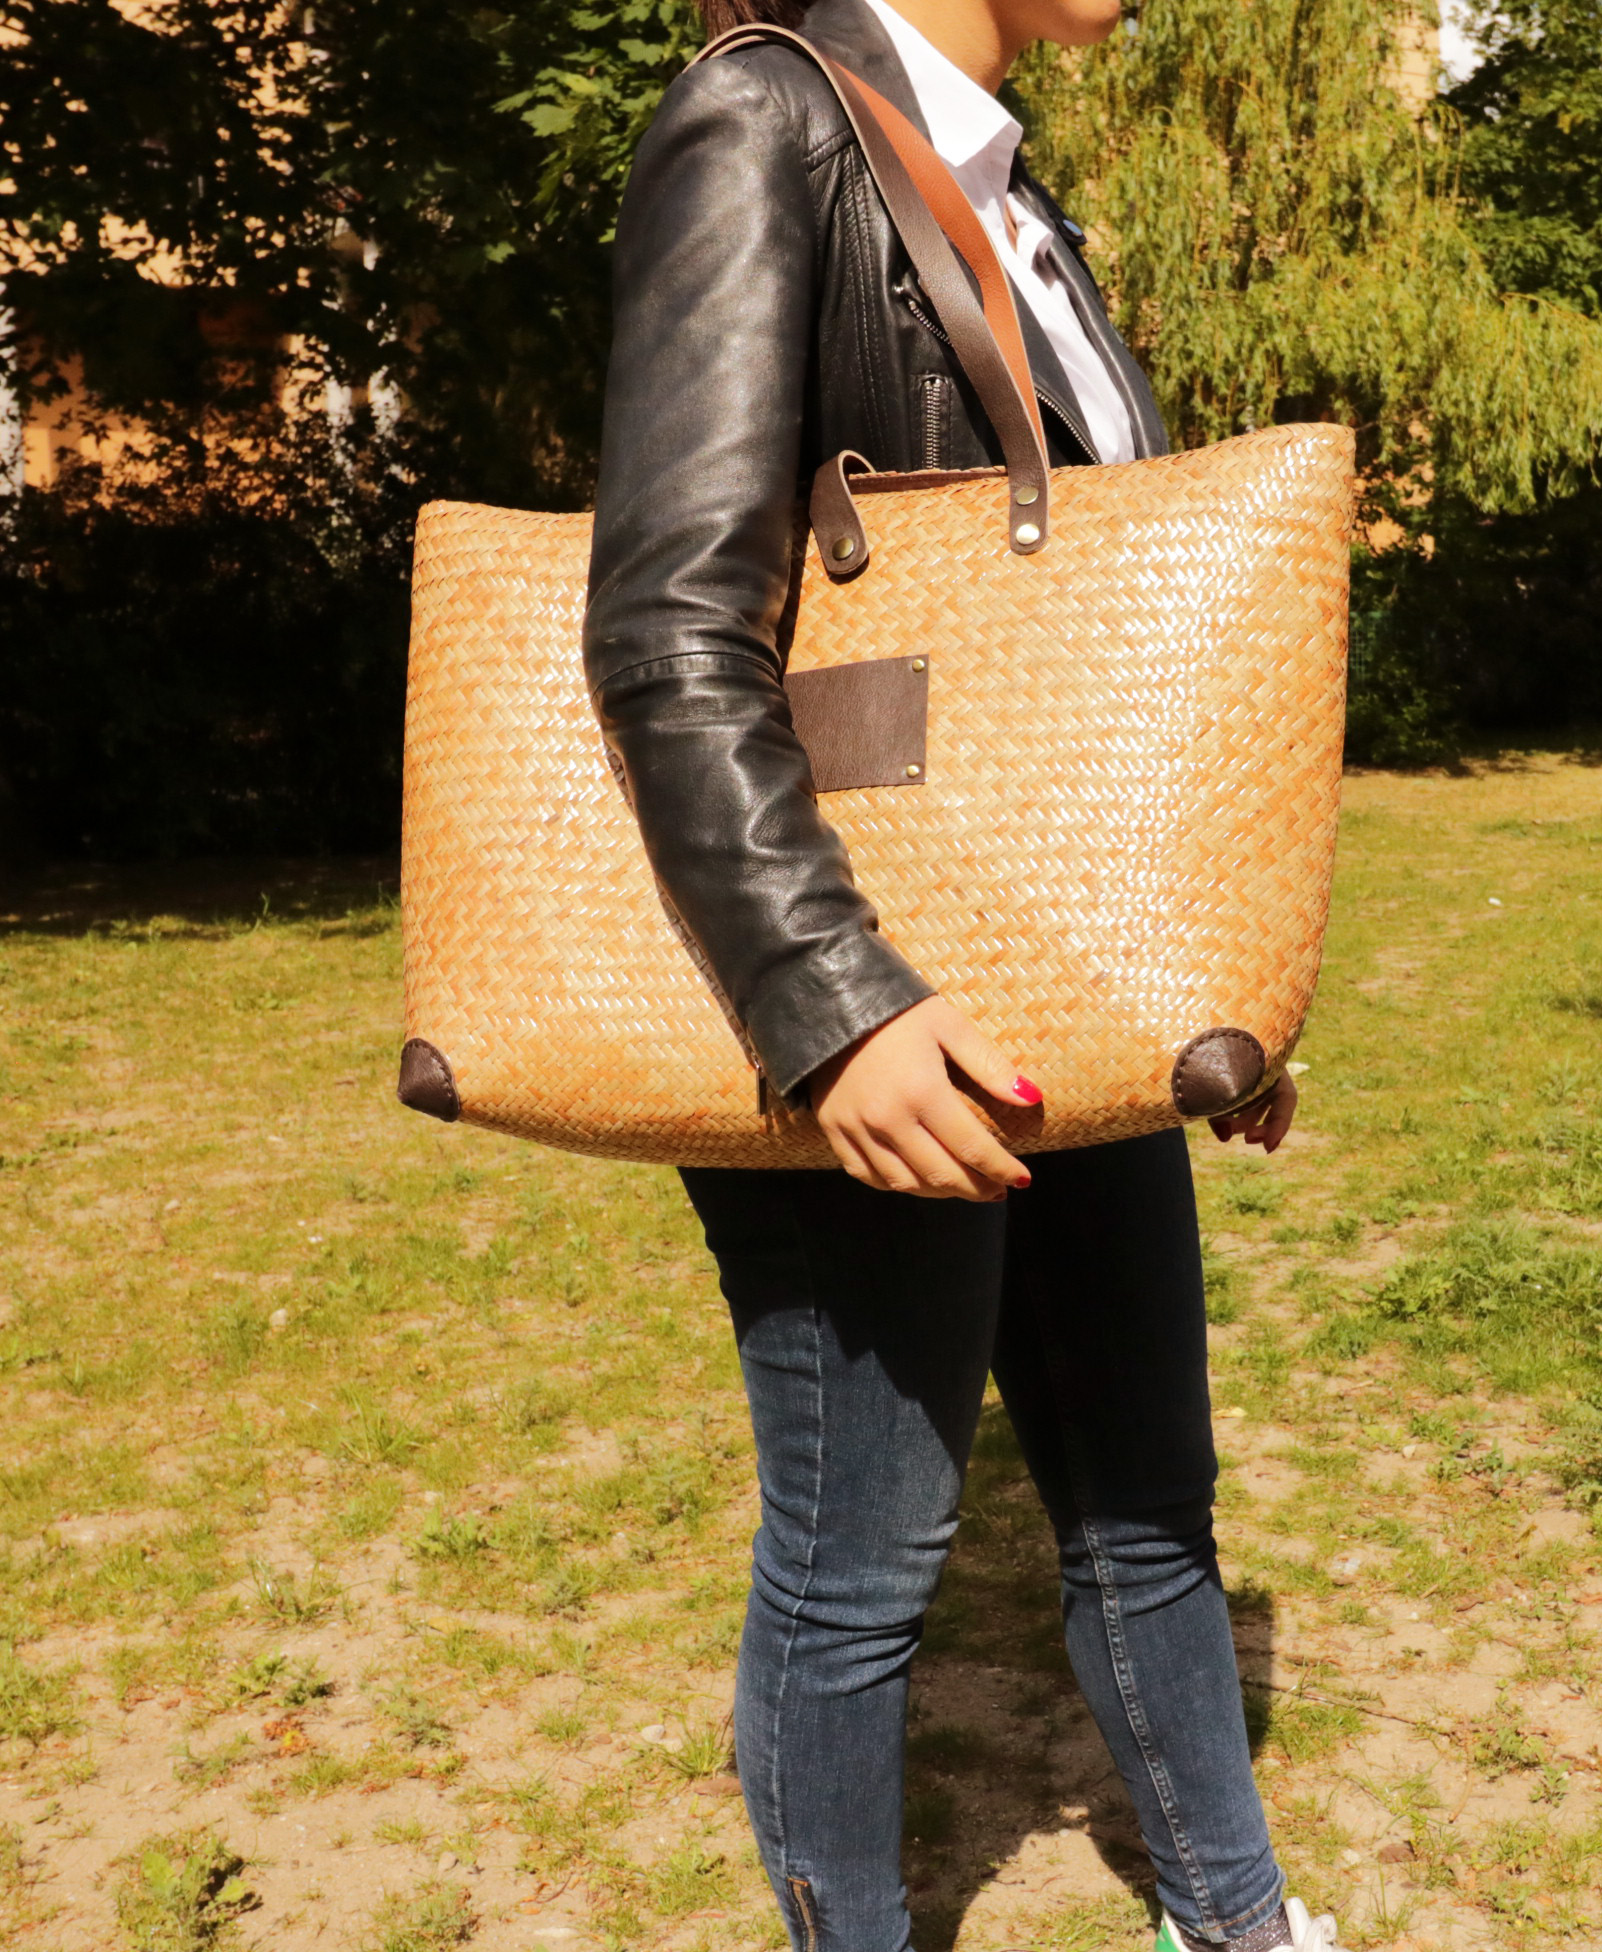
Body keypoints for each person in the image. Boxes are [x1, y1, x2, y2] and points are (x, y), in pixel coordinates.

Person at [582, 1, 1338, 1947]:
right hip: (868, 988)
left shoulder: (1012, 201)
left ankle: (1235, 1924)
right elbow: (668, 631)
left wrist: (1199, 977)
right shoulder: (761, 120)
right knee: (859, 1570)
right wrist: (831, 1006)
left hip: (1054, 974)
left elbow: (1086, 650)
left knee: (1147, 1501)